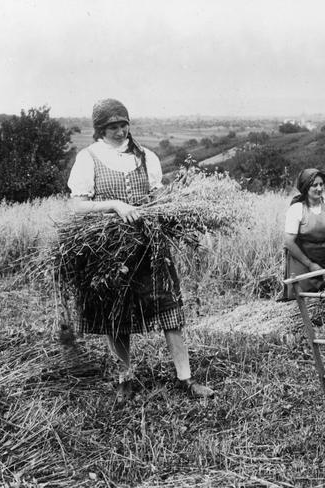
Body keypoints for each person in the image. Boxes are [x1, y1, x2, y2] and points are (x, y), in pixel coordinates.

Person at [67, 98, 215, 403]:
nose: (120, 131)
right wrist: (116, 205)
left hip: (149, 245)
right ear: (100, 128)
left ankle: (186, 379)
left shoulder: (146, 157)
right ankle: (126, 378)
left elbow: (159, 199)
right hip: (109, 250)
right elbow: (77, 206)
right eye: (112, 126)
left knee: (168, 310)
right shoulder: (88, 157)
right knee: (116, 314)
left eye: (124, 124)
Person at [282, 168, 325, 300]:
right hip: (302, 261)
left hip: (324, 258)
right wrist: (310, 265)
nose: (319, 188)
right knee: (304, 298)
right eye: (315, 185)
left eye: (321, 184)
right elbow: (289, 242)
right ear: (306, 188)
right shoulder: (296, 209)